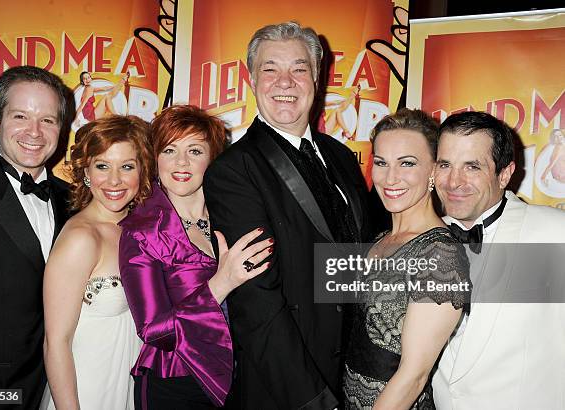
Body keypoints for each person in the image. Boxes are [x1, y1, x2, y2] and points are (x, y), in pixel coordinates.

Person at [203, 22, 373, 409]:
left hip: (354, 375)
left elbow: (354, 262)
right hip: (289, 389)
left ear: (317, 78)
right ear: (251, 79)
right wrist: (313, 399)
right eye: (270, 69)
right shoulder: (235, 170)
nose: (285, 81)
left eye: (299, 69)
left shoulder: (341, 158)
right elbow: (257, 302)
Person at [119, 105, 273, 409]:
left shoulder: (233, 216)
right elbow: (154, 330)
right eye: (169, 150)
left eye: (195, 150)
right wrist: (221, 283)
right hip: (176, 381)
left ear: (213, 157)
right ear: (154, 158)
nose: (181, 162)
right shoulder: (141, 232)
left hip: (242, 375)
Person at [0, 65, 71, 409]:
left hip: (62, 388)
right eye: (21, 116)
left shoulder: (76, 202)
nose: (34, 132)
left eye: (48, 120)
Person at [432, 111, 565, 409]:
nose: (454, 181)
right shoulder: (417, 241)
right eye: (445, 164)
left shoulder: (556, 233)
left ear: (504, 174)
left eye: (472, 166)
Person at [343, 108, 470, 409]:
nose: (390, 178)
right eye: (382, 163)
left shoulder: (441, 254)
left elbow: (414, 376)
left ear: (433, 171)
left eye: (407, 163)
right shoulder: (379, 239)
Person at [41, 115, 152, 409]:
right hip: (86, 392)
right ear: (86, 171)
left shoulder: (138, 230)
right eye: (102, 165)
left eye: (127, 166)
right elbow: (56, 343)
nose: (114, 180)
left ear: (142, 171)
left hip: (128, 386)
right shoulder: (81, 238)